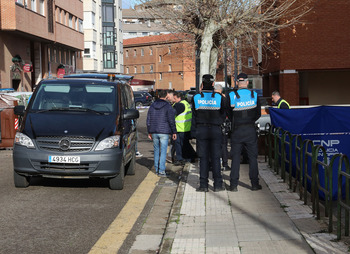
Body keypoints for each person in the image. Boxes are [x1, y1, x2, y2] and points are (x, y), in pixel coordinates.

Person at [228, 73, 262, 191]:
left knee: (235, 157)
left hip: (237, 131)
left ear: (237, 82)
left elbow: (228, 113)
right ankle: (254, 184)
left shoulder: (231, 95)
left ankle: (233, 185)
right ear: (247, 82)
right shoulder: (254, 95)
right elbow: (258, 113)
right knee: (253, 158)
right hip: (250, 130)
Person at [192, 74, 226, 192]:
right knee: (216, 158)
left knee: (203, 158)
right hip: (215, 130)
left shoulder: (196, 97)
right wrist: (218, 122)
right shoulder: (219, 97)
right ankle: (218, 185)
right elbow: (223, 114)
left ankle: (203, 185)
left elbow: (194, 116)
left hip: (201, 130)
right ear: (213, 84)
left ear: (202, 84)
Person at [147, 90, 177, 177]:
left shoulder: (152, 106)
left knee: (156, 150)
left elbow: (148, 120)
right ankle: (161, 171)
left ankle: (156, 169)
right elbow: (171, 120)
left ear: (158, 96)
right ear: (166, 96)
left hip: (154, 131)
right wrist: (174, 131)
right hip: (164, 131)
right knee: (163, 151)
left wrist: (149, 131)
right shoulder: (168, 106)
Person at [173, 91, 196, 165]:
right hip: (186, 127)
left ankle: (182, 159)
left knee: (180, 144)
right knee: (185, 144)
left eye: (175, 98)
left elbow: (172, 113)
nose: (174, 100)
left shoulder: (180, 105)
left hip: (181, 128)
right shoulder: (186, 103)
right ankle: (192, 156)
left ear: (179, 98)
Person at [213, 83, 231, 171]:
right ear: (221, 90)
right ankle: (225, 164)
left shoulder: (211, 98)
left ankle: (214, 164)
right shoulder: (224, 99)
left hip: (212, 125)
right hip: (222, 125)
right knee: (223, 145)